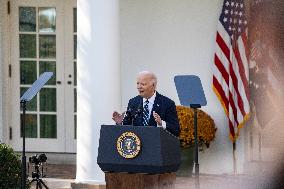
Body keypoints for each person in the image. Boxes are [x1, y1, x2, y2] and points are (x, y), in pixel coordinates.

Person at [112, 71, 180, 137]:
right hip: (137, 145)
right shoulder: (133, 102)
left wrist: (161, 123)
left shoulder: (167, 103)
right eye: (137, 83)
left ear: (153, 85)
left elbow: (176, 130)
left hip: (157, 145)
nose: (139, 87)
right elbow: (128, 126)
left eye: (143, 84)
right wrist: (121, 123)